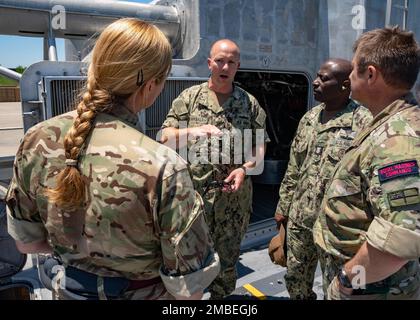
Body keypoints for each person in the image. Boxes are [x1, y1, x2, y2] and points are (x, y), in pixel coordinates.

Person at [5, 18, 220, 300]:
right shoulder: (163, 166)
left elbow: (27, 245)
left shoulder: (35, 139)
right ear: (152, 85)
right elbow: (187, 292)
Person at [315, 27, 420, 300]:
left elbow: (399, 243)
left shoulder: (397, 140)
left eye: (353, 70)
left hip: (370, 289)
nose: (349, 76)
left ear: (371, 74)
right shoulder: (386, 123)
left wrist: (347, 280)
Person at [160, 39, 270, 299]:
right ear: (209, 63)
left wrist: (245, 169)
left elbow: (259, 148)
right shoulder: (189, 98)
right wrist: (192, 131)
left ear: (238, 66)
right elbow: (164, 136)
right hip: (193, 203)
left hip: (233, 204)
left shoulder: (249, 103)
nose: (225, 66)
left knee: (227, 265)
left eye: (232, 62)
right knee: (189, 264)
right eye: (220, 60)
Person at [274, 59, 372, 299]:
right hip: (301, 221)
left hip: (339, 228)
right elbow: (294, 167)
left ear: (345, 85)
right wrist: (282, 212)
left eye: (324, 78)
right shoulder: (309, 118)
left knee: (344, 288)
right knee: (295, 279)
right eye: (316, 76)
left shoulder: (364, 122)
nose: (316, 82)